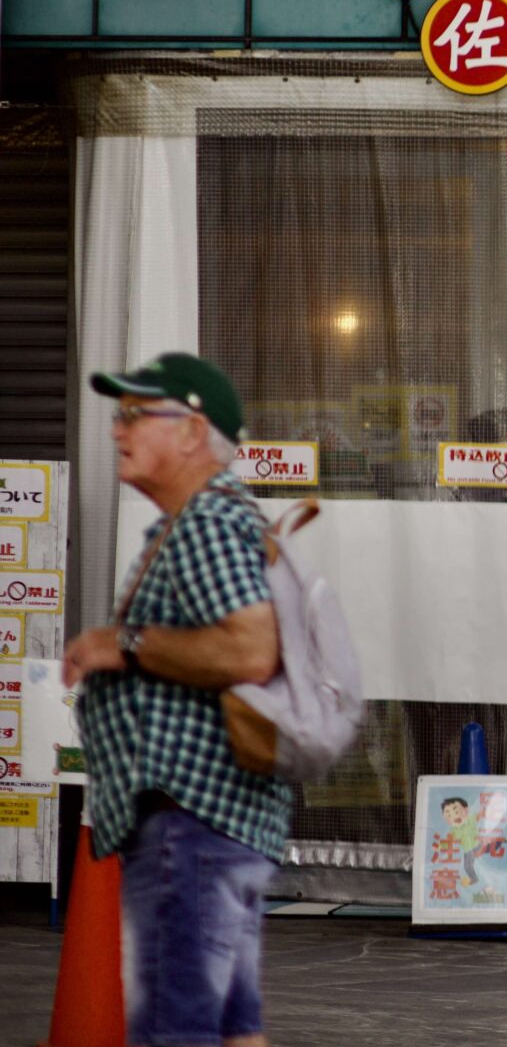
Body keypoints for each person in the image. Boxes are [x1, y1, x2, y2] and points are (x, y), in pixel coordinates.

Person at [63, 353, 288, 1047]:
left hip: (189, 824)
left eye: (136, 414)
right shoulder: (204, 519)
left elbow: (250, 650)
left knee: (175, 1030)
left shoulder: (207, 523)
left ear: (193, 431)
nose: (116, 430)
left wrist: (121, 644)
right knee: (231, 1029)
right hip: (212, 825)